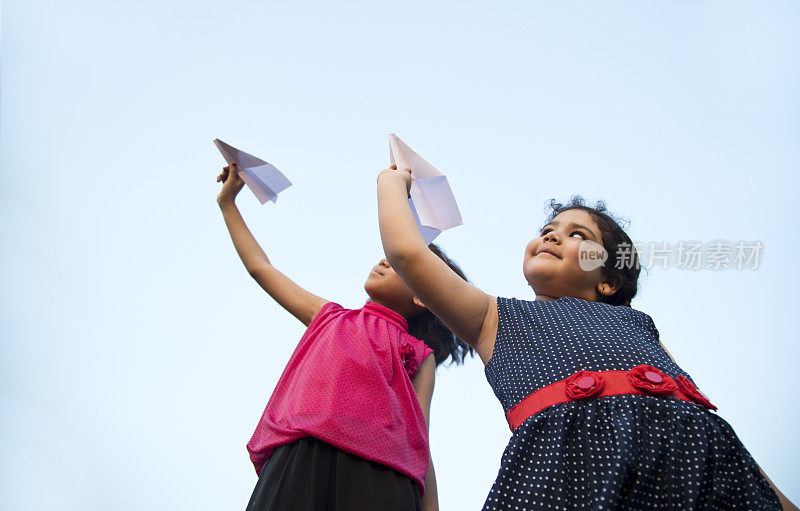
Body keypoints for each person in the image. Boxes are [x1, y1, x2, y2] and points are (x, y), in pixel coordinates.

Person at [376, 164, 797, 510]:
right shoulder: (492, 317)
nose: (553, 235)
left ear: (610, 281)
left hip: (698, 464)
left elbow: (696, 406)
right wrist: (391, 183)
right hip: (570, 472)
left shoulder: (640, 325)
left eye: (580, 235)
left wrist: (778, 499)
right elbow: (408, 253)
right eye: (549, 228)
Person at [216, 162, 472, 511]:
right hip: (302, 456)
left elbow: (419, 438)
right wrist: (227, 203)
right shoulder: (330, 317)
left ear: (422, 294)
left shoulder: (418, 352)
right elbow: (261, 268)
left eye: (400, 264)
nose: (384, 261)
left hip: (380, 476)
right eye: (386, 256)